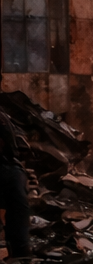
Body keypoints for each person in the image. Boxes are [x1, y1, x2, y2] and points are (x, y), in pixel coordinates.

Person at [0, 110, 30, 257]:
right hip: (8, 168)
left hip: (9, 166)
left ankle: (20, 253)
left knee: (19, 209)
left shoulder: (3, 117)